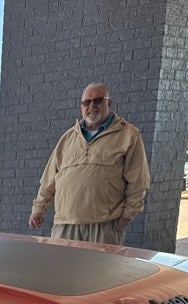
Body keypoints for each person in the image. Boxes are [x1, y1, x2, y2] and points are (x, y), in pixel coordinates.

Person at [29, 82, 150, 245]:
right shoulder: (68, 138)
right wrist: (38, 209)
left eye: (98, 100)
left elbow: (138, 181)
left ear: (109, 103)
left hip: (104, 227)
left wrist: (126, 216)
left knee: (101, 271)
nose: (92, 106)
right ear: (81, 107)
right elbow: (49, 179)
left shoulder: (128, 135)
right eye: (86, 102)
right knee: (60, 270)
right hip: (65, 226)